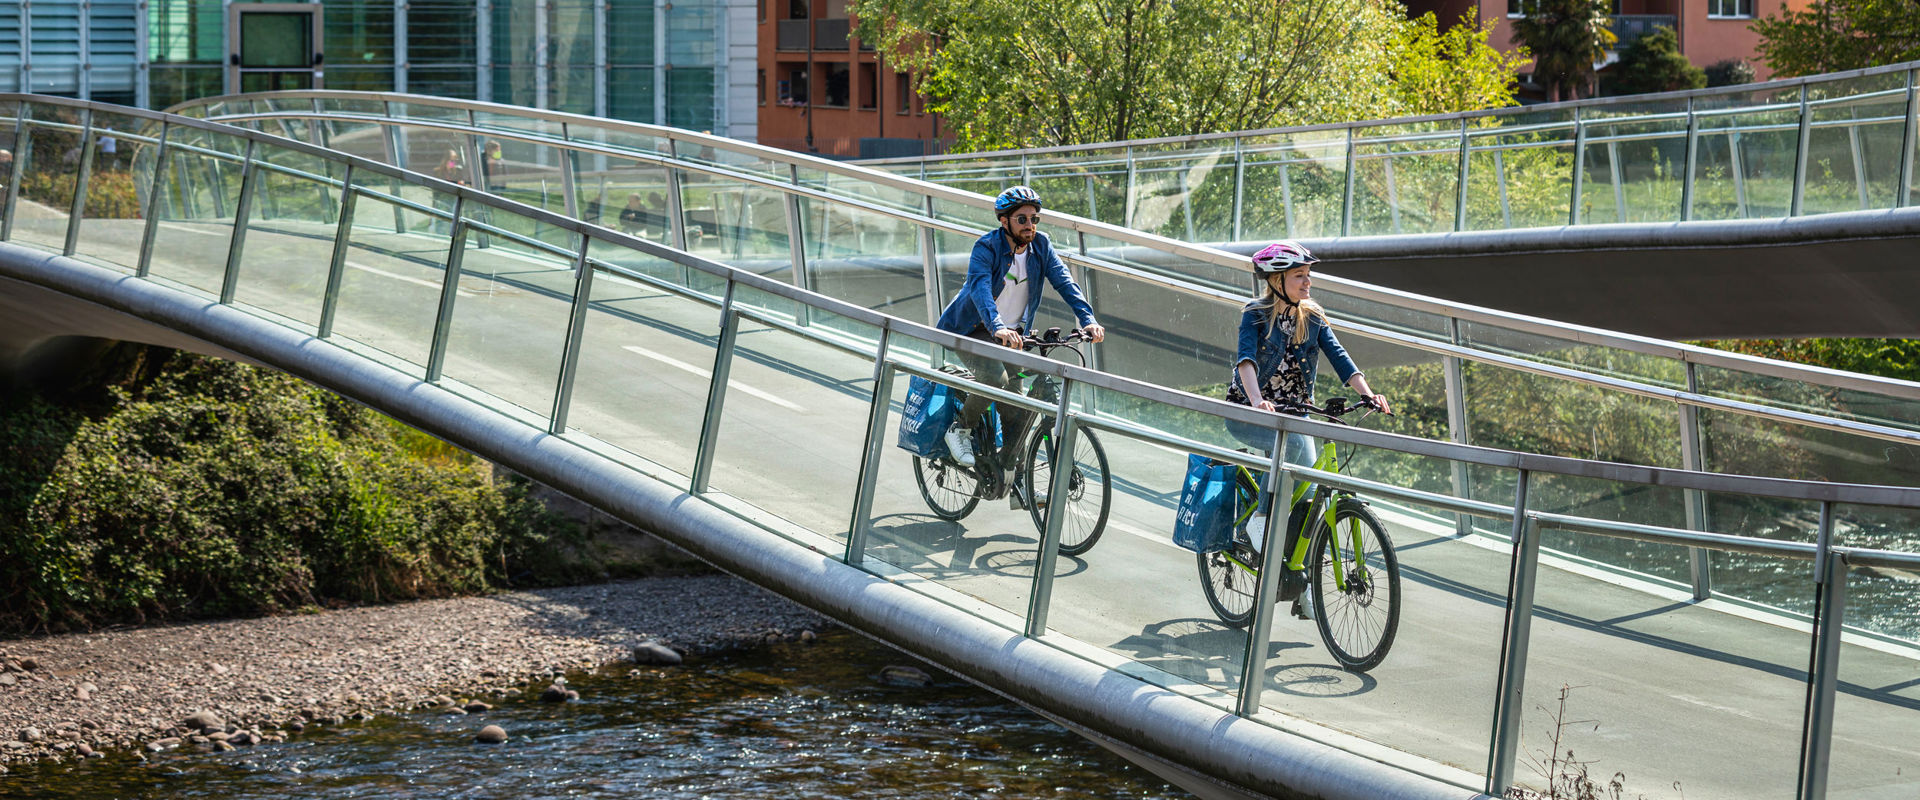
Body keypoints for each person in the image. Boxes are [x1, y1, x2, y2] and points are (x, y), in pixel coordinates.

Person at [1225, 240, 1389, 602]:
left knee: (1311, 493)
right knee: (1293, 447)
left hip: (1295, 416)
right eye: (1299, 276)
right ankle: (1260, 520)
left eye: (1308, 275)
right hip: (1247, 413)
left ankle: (1300, 591)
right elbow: (1247, 360)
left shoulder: (1311, 316)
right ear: (1276, 280)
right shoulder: (1254, 314)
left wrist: (1367, 393)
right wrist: (1256, 401)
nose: (1307, 282)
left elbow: (1340, 357)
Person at [933, 185, 1106, 474]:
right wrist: (997, 326)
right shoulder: (987, 247)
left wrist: (1087, 319)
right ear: (1005, 221)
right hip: (971, 329)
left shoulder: (1042, 246)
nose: (1030, 225)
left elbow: (1064, 282)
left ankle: (1013, 476)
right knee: (995, 379)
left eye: (1034, 219)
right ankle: (960, 429)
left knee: (1017, 407)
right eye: (1022, 219)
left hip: (1013, 335)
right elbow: (980, 289)